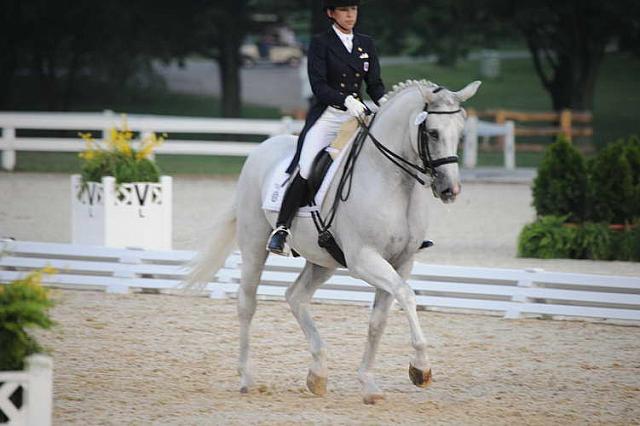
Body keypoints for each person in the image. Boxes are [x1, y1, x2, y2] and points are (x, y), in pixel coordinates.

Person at [267, 0, 385, 255]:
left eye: (353, 9)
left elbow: (374, 84)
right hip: (329, 116)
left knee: (384, 160)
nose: (350, 15)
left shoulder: (366, 43)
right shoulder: (321, 43)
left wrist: (385, 103)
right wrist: (345, 100)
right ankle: (282, 229)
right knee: (307, 167)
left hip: (358, 116)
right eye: (344, 10)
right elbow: (318, 85)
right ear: (331, 13)